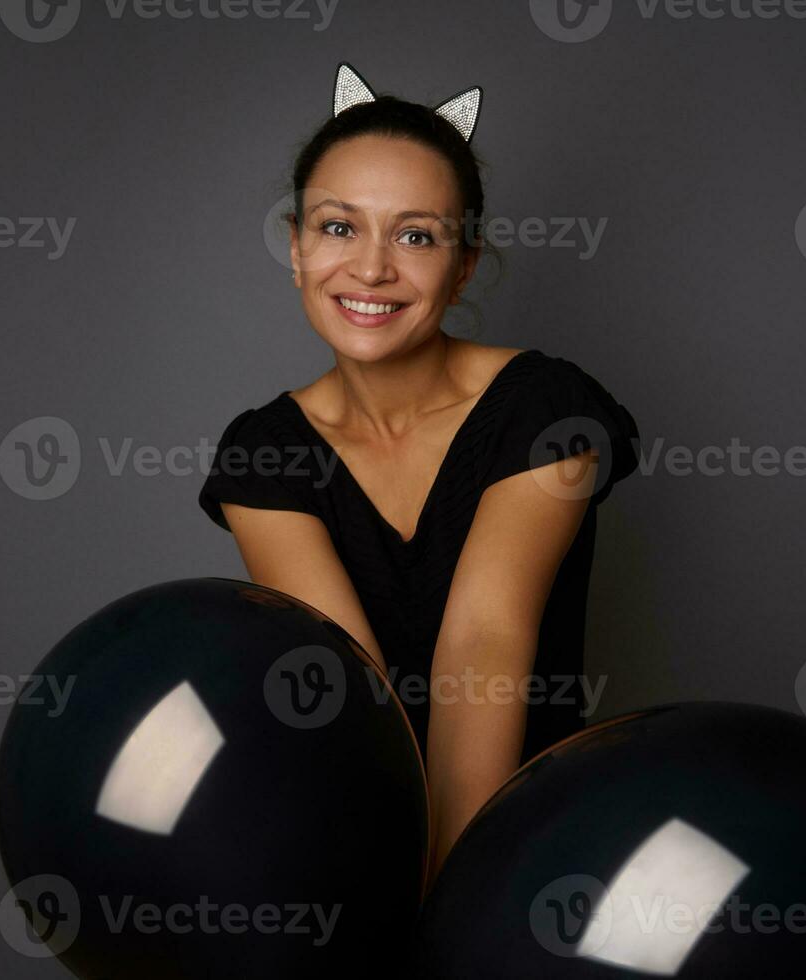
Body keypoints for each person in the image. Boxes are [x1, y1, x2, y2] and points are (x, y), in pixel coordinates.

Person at [197, 63, 640, 887]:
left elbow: (484, 641)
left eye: (414, 235)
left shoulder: (545, 410)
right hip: (361, 848)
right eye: (338, 228)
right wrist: (391, 899)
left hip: (540, 859)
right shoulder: (264, 454)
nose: (370, 270)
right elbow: (357, 696)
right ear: (295, 247)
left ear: (464, 264)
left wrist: (454, 896)